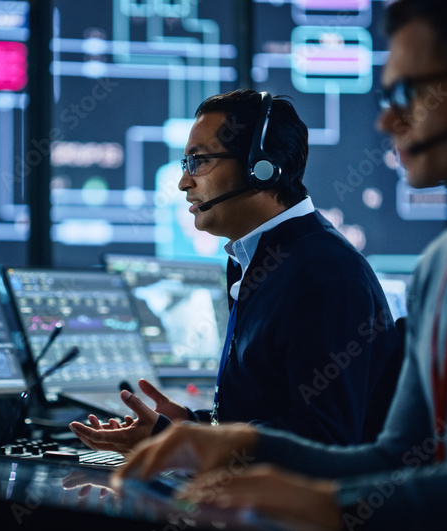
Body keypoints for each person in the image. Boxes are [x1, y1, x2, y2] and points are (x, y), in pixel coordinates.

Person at [113, 1, 447, 531]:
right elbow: (392, 456)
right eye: (386, 97)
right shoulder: (438, 263)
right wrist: (237, 441)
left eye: (411, 93)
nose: (386, 121)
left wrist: (337, 507)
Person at [70, 90, 403, 453]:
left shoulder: (324, 275)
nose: (184, 182)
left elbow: (323, 441)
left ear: (261, 167)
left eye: (198, 162)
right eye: (185, 164)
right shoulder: (256, 259)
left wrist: (187, 447)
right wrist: (185, 426)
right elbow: (262, 414)